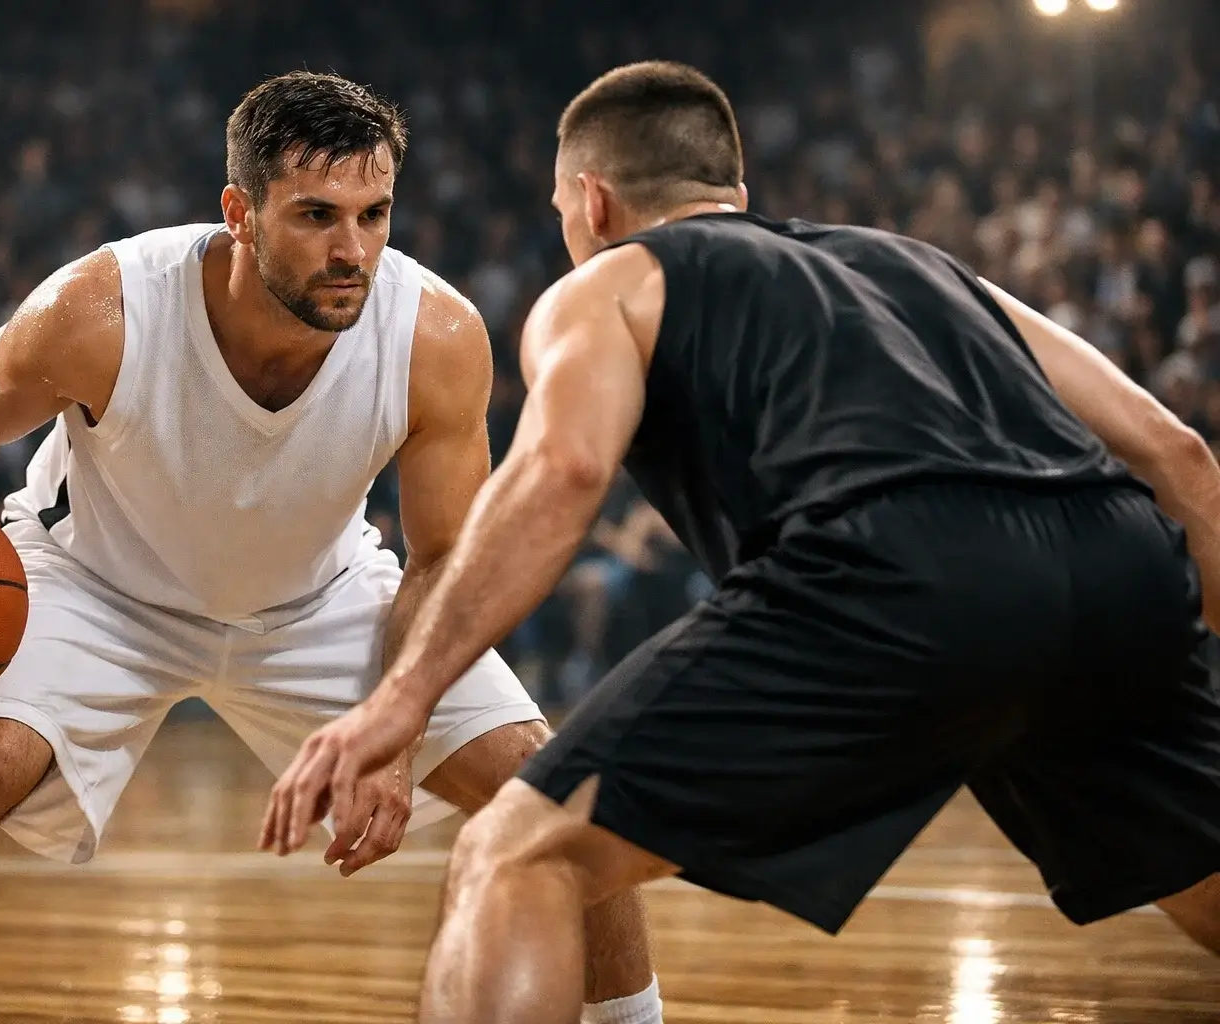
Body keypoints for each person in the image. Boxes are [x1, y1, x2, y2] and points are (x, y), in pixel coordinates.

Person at [261, 61, 1220, 1023]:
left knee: (516, 856)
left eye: (562, 208)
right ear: (737, 195)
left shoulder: (610, 284)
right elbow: (1178, 457)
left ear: (593, 202)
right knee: (1202, 872)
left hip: (896, 571)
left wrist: (402, 699)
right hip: (1116, 565)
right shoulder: (921, 265)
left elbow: (563, 473)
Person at [0, 72, 663, 1024]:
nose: (352, 249)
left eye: (375, 212)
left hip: (316, 598)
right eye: (316, 215)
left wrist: (397, 722)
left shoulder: (435, 335)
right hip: (96, 585)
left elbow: (443, 560)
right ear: (240, 212)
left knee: (563, 801)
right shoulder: (104, 308)